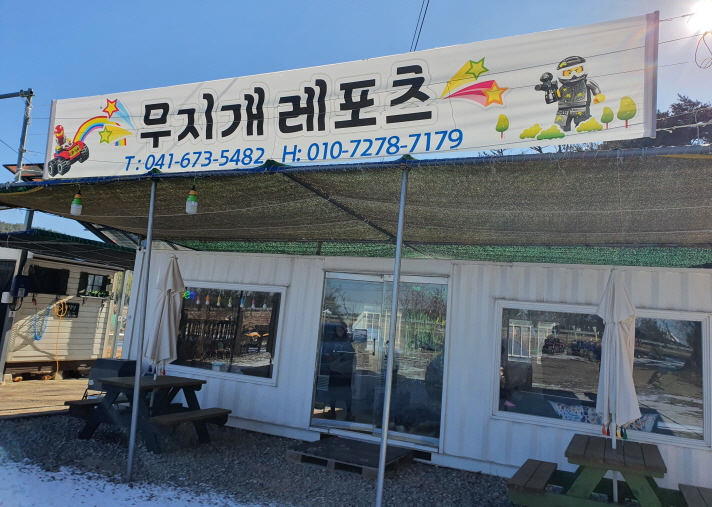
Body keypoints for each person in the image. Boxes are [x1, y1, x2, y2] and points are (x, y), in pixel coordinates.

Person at [323, 323, 355, 421]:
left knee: (346, 393)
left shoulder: (347, 342)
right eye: (337, 330)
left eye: (341, 330)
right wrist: (330, 357)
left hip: (345, 372)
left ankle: (349, 412)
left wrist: (342, 357)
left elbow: (351, 354)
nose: (339, 332)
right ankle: (332, 411)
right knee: (333, 392)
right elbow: (326, 352)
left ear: (344, 331)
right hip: (334, 370)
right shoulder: (332, 341)